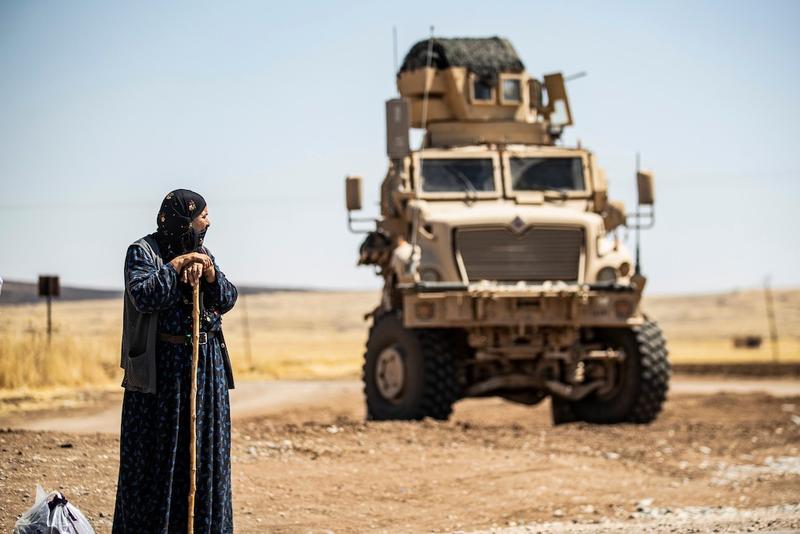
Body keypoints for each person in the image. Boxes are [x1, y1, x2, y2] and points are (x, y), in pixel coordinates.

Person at [113, 189, 237, 533]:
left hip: (205, 370)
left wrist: (210, 273)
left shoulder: (203, 253)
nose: (208, 222)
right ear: (184, 219)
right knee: (158, 460)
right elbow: (144, 295)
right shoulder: (142, 252)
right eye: (204, 216)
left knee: (205, 458)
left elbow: (227, 299)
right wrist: (176, 266)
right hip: (161, 377)